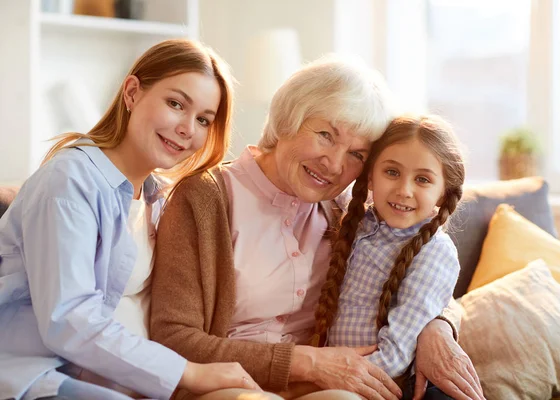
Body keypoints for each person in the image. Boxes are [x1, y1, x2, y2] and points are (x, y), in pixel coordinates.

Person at [150, 56, 484, 400]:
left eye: (356, 153)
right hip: (229, 387)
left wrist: (436, 327)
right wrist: (305, 363)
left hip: (327, 387)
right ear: (288, 119)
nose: (335, 164)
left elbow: (424, 274)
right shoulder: (206, 198)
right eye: (326, 135)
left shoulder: (344, 210)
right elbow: (173, 338)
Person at [0, 39, 262, 400]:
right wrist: (190, 373)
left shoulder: (159, 197)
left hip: (136, 382)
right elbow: (69, 321)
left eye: (203, 119)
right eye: (175, 104)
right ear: (132, 93)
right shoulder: (70, 181)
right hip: (43, 376)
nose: (188, 128)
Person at [311, 115, 466, 400]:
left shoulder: (434, 252)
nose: (403, 190)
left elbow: (395, 355)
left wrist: (320, 381)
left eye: (422, 179)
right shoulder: (355, 221)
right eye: (392, 172)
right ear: (370, 175)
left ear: (443, 194)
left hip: (382, 386)